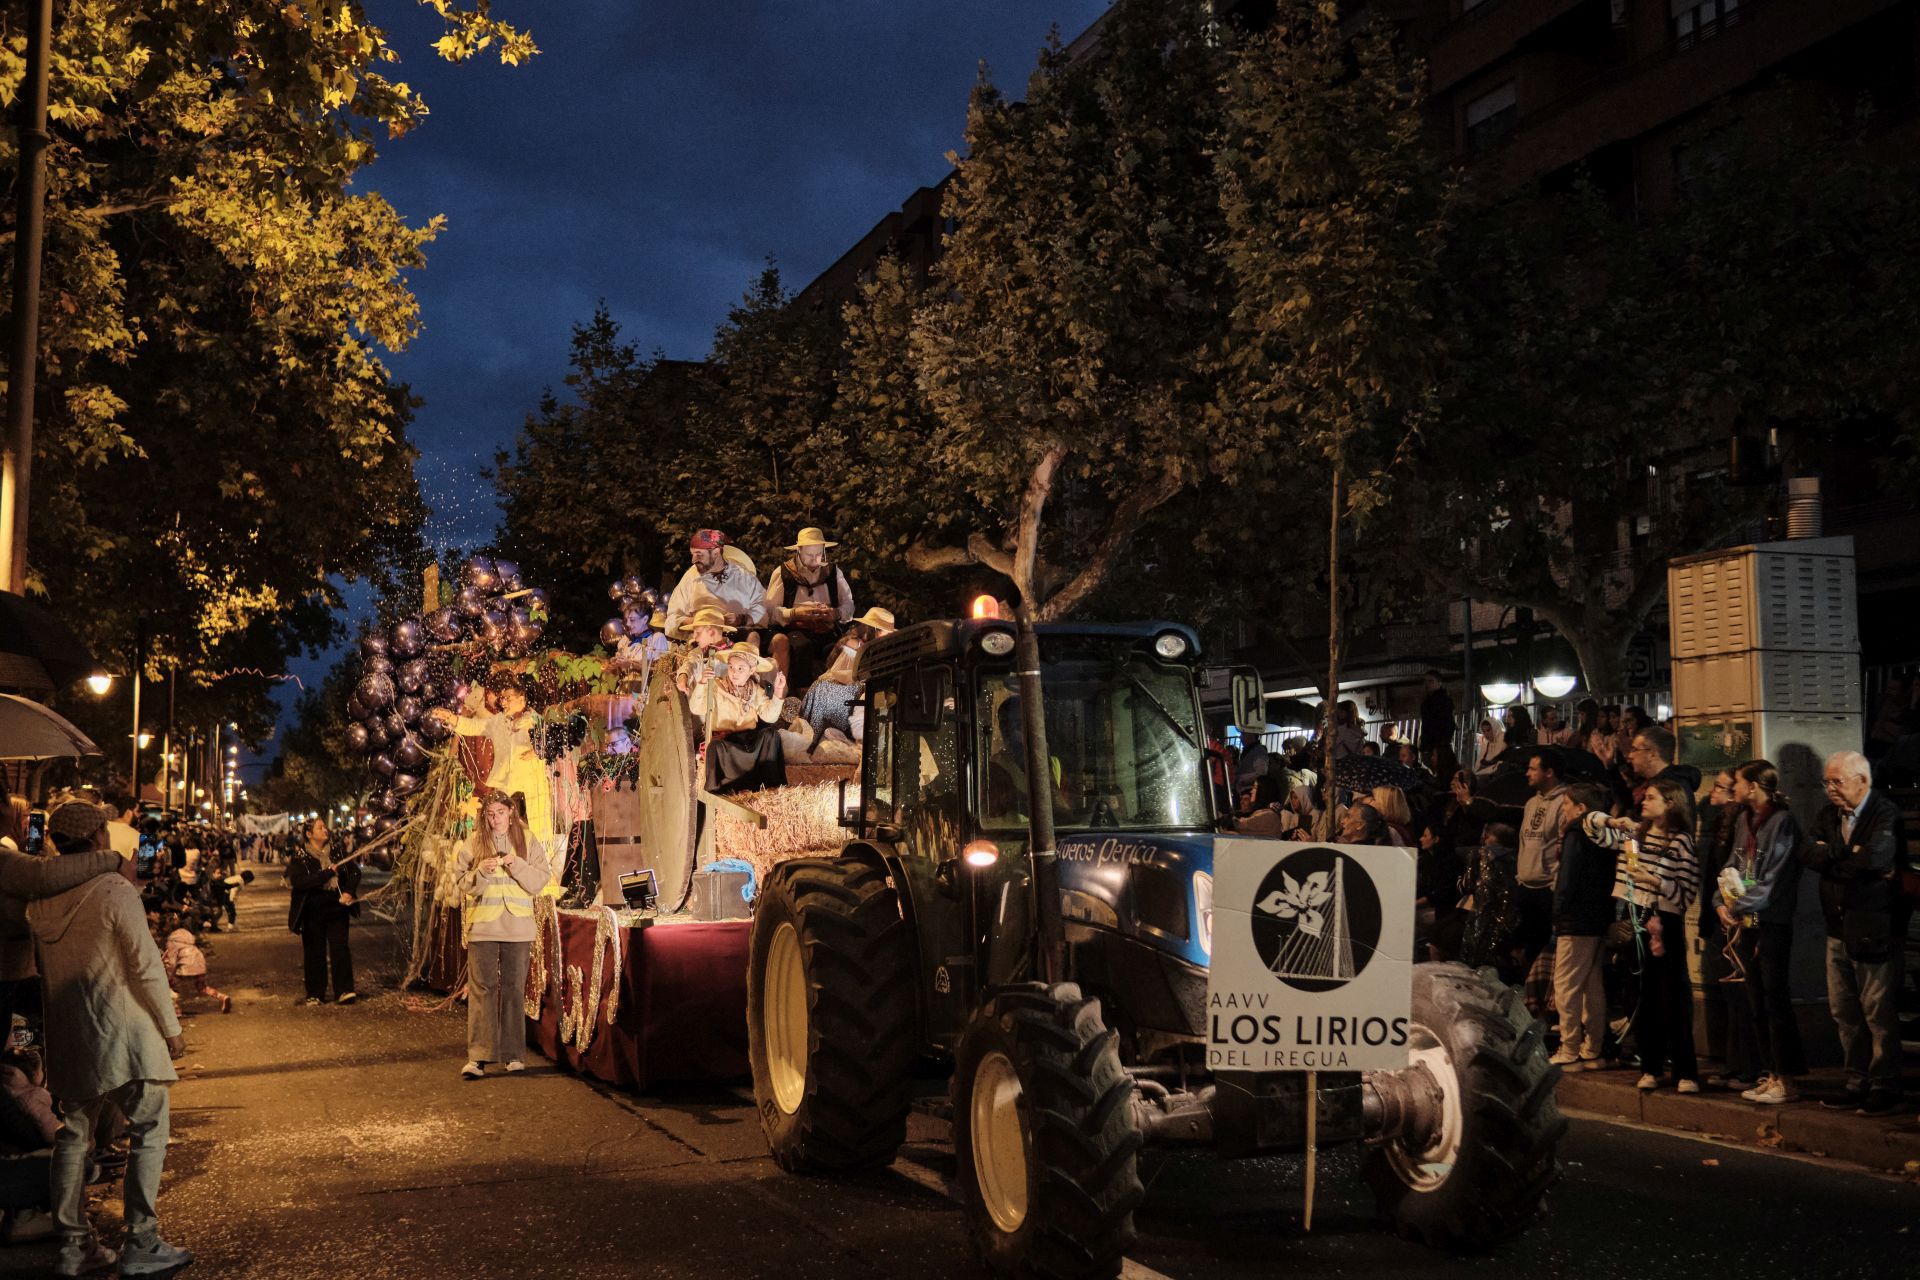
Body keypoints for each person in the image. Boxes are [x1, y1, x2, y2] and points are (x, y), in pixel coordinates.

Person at [29, 801, 191, 1277]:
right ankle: (141, 1240)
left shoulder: (39, 900)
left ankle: (74, 1248)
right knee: (150, 1129)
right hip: (124, 1031)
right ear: (99, 837)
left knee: (73, 1139)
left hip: (70, 1031)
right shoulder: (115, 890)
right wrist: (171, 1028)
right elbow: (143, 967)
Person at [1799, 750, 1907, 1115]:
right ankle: (1855, 1078)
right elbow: (1807, 853)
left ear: (1862, 781)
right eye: (1826, 782)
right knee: (1843, 1010)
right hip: (1837, 926)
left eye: (1837, 781)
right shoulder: (1829, 814)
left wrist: (1833, 857)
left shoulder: (1885, 813)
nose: (1830, 789)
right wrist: (1847, 855)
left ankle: (1884, 1083)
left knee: (1877, 1010)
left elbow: (1875, 858)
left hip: (1875, 927)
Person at [1584, 777, 1700, 1093]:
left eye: (1651, 798)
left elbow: (1686, 892)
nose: (1644, 802)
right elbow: (1591, 827)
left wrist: (1653, 880)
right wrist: (1612, 820)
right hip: (1634, 914)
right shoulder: (1636, 833)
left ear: (1670, 803)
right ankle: (1651, 1066)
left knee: (1671, 996)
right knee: (1640, 995)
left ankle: (1685, 1070)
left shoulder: (1680, 841)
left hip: (1665, 919)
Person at [1716, 760, 1805, 1105]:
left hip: (1771, 920)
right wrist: (1720, 901)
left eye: (1737, 782)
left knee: (1774, 997)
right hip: (1747, 918)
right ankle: (1770, 1073)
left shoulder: (1782, 822)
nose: (1733, 788)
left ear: (1753, 786)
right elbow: (1733, 864)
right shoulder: (1744, 819)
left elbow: (1775, 879)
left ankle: (1787, 1077)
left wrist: (1739, 905)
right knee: (1756, 997)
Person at [452, 792, 552, 1079]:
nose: (495, 819)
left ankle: (513, 1055)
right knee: (483, 989)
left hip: (518, 927)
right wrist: (480, 873)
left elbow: (539, 881)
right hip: (484, 926)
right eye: (490, 813)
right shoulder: (473, 842)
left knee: (513, 989)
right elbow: (462, 883)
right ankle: (479, 1057)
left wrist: (515, 864)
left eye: (500, 812)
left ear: (511, 812)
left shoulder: (527, 839)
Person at [430, 670, 557, 844]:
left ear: (521, 699)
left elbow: (554, 745)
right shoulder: (497, 721)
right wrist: (450, 718)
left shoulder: (536, 721)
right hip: (505, 787)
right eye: (502, 698)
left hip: (531, 789)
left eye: (508, 698)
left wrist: (538, 751)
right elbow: (472, 727)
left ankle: (542, 868)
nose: (503, 702)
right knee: (502, 835)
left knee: (537, 837)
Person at [1696, 769, 1759, 1091]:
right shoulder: (1723, 823)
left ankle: (1747, 1066)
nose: (1712, 794)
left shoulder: (1741, 824)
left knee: (1740, 994)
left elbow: (1736, 870)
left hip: (1737, 918)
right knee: (1727, 993)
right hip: (1719, 915)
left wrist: (1730, 906)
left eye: (1721, 788)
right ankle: (1734, 1063)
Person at [1549, 784, 1617, 1070]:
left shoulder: (1576, 834)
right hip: (1599, 916)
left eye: (1567, 804)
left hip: (1576, 918)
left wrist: (1558, 910)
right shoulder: (1605, 837)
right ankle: (1594, 1048)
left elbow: (1568, 878)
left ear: (1581, 809)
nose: (1563, 809)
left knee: (1566, 983)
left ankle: (1569, 1048)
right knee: (1592, 984)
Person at [688, 641, 789, 794]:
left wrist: (778, 692)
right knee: (715, 748)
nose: (734, 672)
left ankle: (772, 787)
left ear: (752, 670)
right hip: (727, 744)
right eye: (731, 667)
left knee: (771, 735)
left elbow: (770, 717)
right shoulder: (715, 686)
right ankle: (720, 791)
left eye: (741, 669)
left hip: (749, 742)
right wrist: (702, 683)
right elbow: (696, 708)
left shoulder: (755, 690)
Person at [764, 527, 856, 687]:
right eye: (809, 555)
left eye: (818, 554)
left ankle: (833, 695)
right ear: (799, 550)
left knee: (839, 649)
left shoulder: (833, 572)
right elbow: (770, 612)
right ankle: (802, 693)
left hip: (826, 629)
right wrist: (794, 613)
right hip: (795, 630)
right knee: (802, 647)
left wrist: (835, 613)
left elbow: (849, 605)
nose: (814, 559)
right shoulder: (784, 573)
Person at [798, 606, 895, 749]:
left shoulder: (873, 648)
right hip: (828, 689)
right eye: (885, 633)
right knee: (865, 689)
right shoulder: (854, 644)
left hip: (845, 689)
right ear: (874, 629)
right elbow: (841, 674)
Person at [287, 817, 359, 1006]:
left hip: (337, 908)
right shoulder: (300, 857)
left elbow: (355, 872)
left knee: (340, 948)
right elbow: (299, 882)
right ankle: (315, 993)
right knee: (314, 951)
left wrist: (349, 891)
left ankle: (344, 990)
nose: (325, 830)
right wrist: (326, 873)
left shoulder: (337, 852)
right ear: (309, 834)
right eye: (320, 828)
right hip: (312, 911)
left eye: (325, 827)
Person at [1514, 750, 1570, 973]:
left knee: (1542, 953)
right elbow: (1525, 841)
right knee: (1523, 949)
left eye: (1532, 768)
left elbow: (1563, 846)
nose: (1527, 773)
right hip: (1525, 885)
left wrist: (1555, 884)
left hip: (1547, 889)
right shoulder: (1530, 803)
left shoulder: (1565, 803)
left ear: (1549, 772)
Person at [663, 528, 768, 636]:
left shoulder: (743, 576)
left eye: (699, 555)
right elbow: (672, 619)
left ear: (716, 553)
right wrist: (696, 622)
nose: (693, 560)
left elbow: (763, 613)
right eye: (693, 554)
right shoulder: (691, 576)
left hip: (737, 640)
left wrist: (740, 619)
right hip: (699, 640)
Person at [162, 912, 232, 1015]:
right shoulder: (187, 936)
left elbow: (172, 963)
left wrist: (168, 976)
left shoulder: (172, 941)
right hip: (199, 962)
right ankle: (222, 997)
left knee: (172, 983)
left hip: (187, 966)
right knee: (202, 987)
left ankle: (176, 1009)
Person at [671, 604, 737, 694]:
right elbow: (690, 664)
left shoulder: (736, 654)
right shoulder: (698, 652)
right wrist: (683, 676)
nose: (694, 637)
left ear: (712, 632)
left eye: (698, 632)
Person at [1417, 670, 1454, 756]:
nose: (1427, 684)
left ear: (1439, 683)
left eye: (1431, 681)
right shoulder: (1427, 701)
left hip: (1438, 744)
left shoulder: (1444, 700)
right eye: (1425, 681)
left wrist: (1443, 743)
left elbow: (1449, 722)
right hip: (1429, 743)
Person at [103, 794, 140, 861]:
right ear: (129, 813)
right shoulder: (136, 836)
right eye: (137, 811)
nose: (138, 815)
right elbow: (143, 866)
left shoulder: (102, 828)